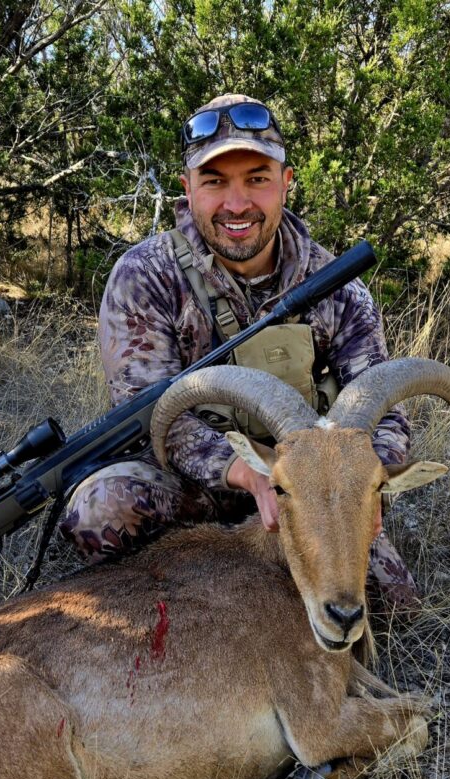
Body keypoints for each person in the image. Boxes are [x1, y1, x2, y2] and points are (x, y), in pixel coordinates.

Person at [59, 93, 417, 605]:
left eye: (256, 178)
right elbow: (152, 416)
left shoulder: (338, 284)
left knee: (393, 602)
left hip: (315, 492)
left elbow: (385, 413)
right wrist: (250, 474)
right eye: (214, 181)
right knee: (100, 512)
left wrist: (365, 482)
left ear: (286, 183)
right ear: (187, 189)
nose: (236, 204)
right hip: (198, 484)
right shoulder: (144, 277)